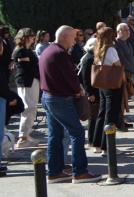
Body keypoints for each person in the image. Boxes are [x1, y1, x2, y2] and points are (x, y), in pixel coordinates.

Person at [40, 26, 102, 183]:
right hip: (60, 99)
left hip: (49, 96)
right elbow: (72, 79)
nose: (75, 41)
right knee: (77, 133)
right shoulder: (60, 53)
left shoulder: (48, 50)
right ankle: (79, 171)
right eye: (74, 38)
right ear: (66, 37)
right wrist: (78, 91)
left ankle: (54, 171)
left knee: (56, 135)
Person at [91, 27, 124, 155]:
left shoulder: (98, 50)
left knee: (102, 113)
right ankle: (107, 147)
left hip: (102, 85)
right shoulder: (110, 50)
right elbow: (118, 66)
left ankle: (97, 143)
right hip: (112, 85)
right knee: (111, 114)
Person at [12, 28, 40, 148]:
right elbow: (26, 69)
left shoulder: (28, 50)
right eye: (31, 35)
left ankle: (26, 135)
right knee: (28, 108)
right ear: (25, 37)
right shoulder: (21, 51)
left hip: (32, 81)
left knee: (32, 108)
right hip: (26, 82)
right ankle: (23, 139)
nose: (33, 37)